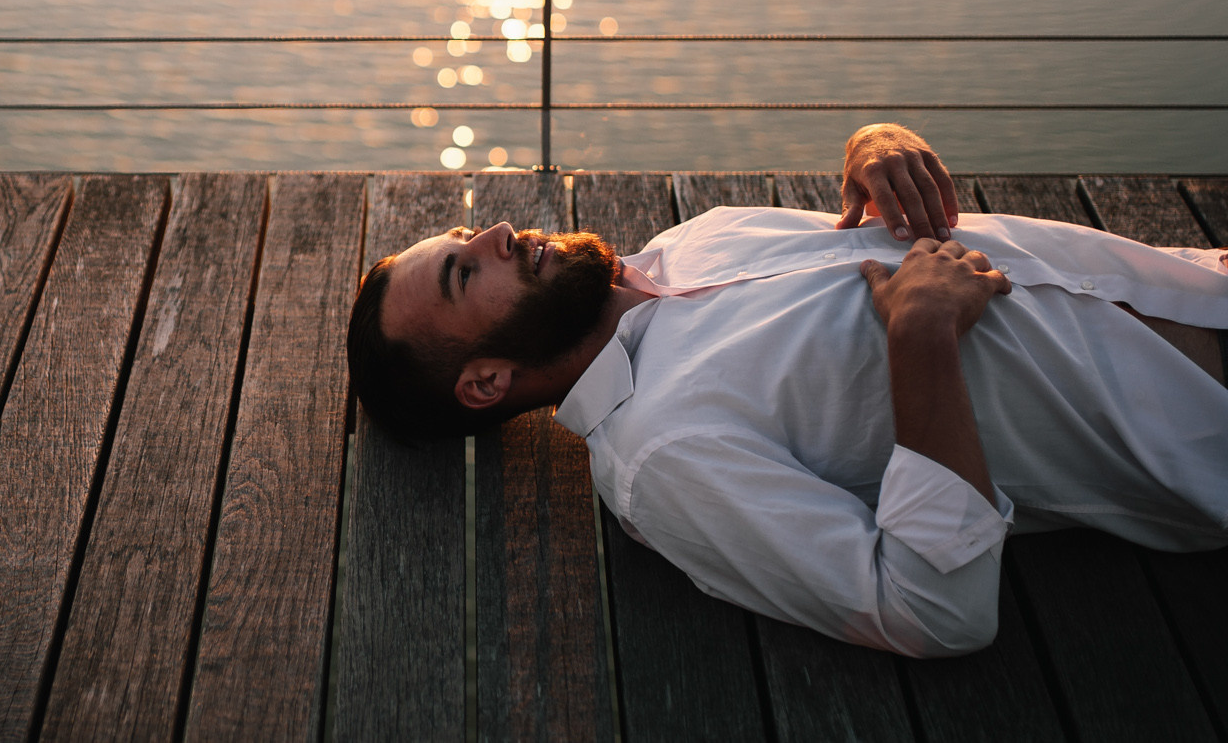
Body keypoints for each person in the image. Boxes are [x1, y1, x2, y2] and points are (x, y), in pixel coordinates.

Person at [346, 124, 1228, 657]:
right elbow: (930, 610)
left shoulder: (697, 238)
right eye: (466, 271)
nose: (499, 228)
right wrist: (920, 340)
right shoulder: (662, 454)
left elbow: (889, 232)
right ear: (488, 379)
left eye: (467, 229)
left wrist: (876, 149)